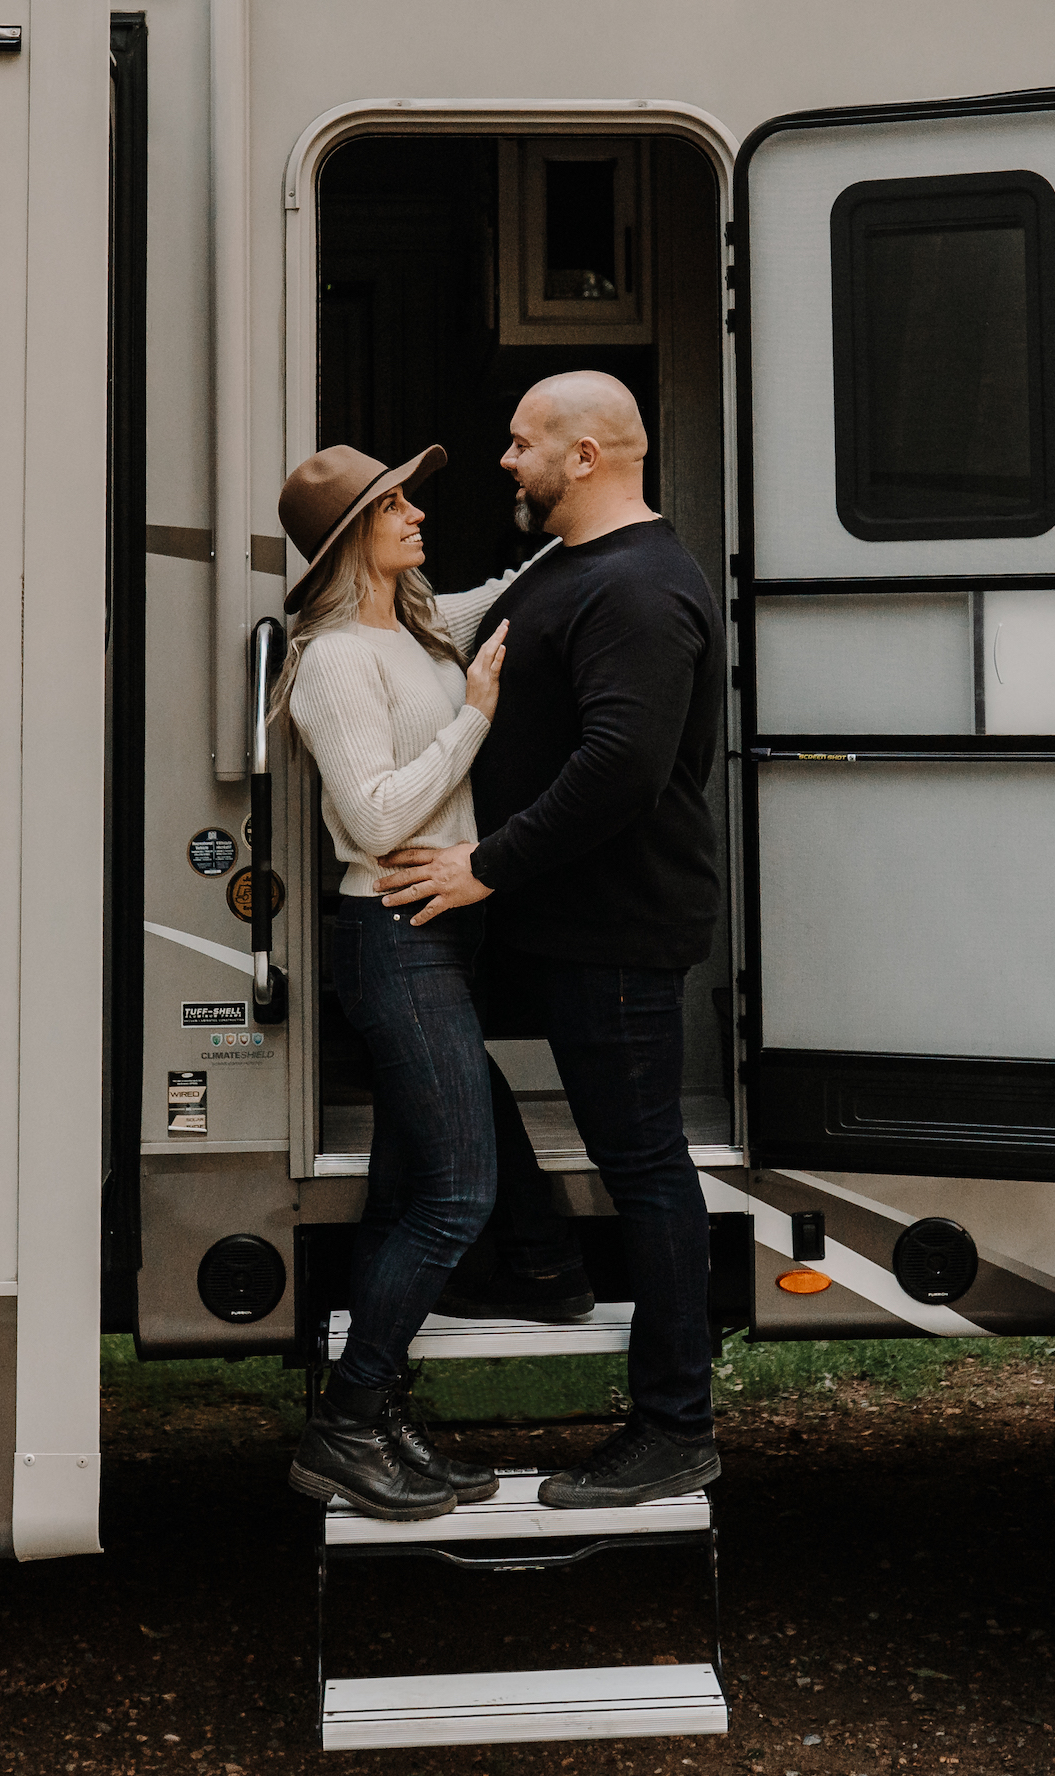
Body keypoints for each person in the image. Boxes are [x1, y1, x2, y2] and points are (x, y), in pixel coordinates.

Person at [376, 370, 726, 1510]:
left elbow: (621, 768)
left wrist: (485, 864)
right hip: (563, 922)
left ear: (585, 457)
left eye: (524, 442)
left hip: (617, 932)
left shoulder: (638, 586)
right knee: (424, 1061)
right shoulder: (570, 567)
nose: (505, 459)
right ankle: (535, 1261)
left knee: (647, 1169)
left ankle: (674, 1426)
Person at [269, 440, 526, 1521]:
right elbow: (374, 815)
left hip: (432, 934)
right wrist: (474, 714)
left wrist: (583, 515)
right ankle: (347, 1421)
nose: (417, 512)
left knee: (404, 1191)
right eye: (394, 504)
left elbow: (502, 593)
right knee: (460, 1194)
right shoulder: (334, 656)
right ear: (351, 540)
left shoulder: (413, 631)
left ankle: (374, 1420)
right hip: (389, 933)